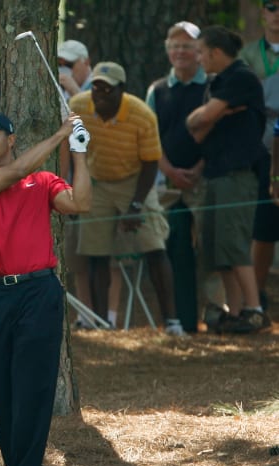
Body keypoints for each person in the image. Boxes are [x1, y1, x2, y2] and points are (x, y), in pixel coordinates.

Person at [0, 111, 90, 466]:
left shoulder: (43, 180)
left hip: (39, 290)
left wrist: (78, 152)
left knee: (34, 384)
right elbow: (14, 174)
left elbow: (80, 203)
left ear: (11, 140)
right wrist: (61, 133)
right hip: (0, 293)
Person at [70, 62, 184, 336]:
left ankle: (172, 322)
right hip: (97, 181)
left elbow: (150, 163)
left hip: (135, 180)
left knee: (154, 247)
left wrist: (135, 205)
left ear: (121, 90)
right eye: (96, 86)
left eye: (107, 89)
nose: (100, 94)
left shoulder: (141, 115)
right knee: (95, 252)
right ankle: (100, 322)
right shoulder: (79, 106)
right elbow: (73, 147)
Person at [186, 26, 271, 332]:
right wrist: (211, 115)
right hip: (215, 173)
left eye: (200, 52)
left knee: (234, 243)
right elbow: (195, 129)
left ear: (216, 52)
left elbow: (204, 118)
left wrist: (210, 115)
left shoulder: (241, 78)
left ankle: (255, 309)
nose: (198, 58)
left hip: (238, 174)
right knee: (217, 247)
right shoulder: (217, 83)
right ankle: (234, 313)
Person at [145, 21, 214, 333]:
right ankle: (183, 320)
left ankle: (215, 314)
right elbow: (149, 138)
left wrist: (199, 169)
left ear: (200, 52)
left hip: (206, 180)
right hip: (169, 183)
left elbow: (220, 135)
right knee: (176, 250)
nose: (180, 51)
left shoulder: (213, 86)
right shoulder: (157, 90)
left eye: (187, 46)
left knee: (211, 248)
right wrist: (169, 170)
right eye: (175, 46)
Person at [238, 0, 279, 313]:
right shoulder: (248, 54)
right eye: (272, 7)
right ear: (263, 12)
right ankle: (257, 301)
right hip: (261, 151)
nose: (278, 14)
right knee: (263, 227)